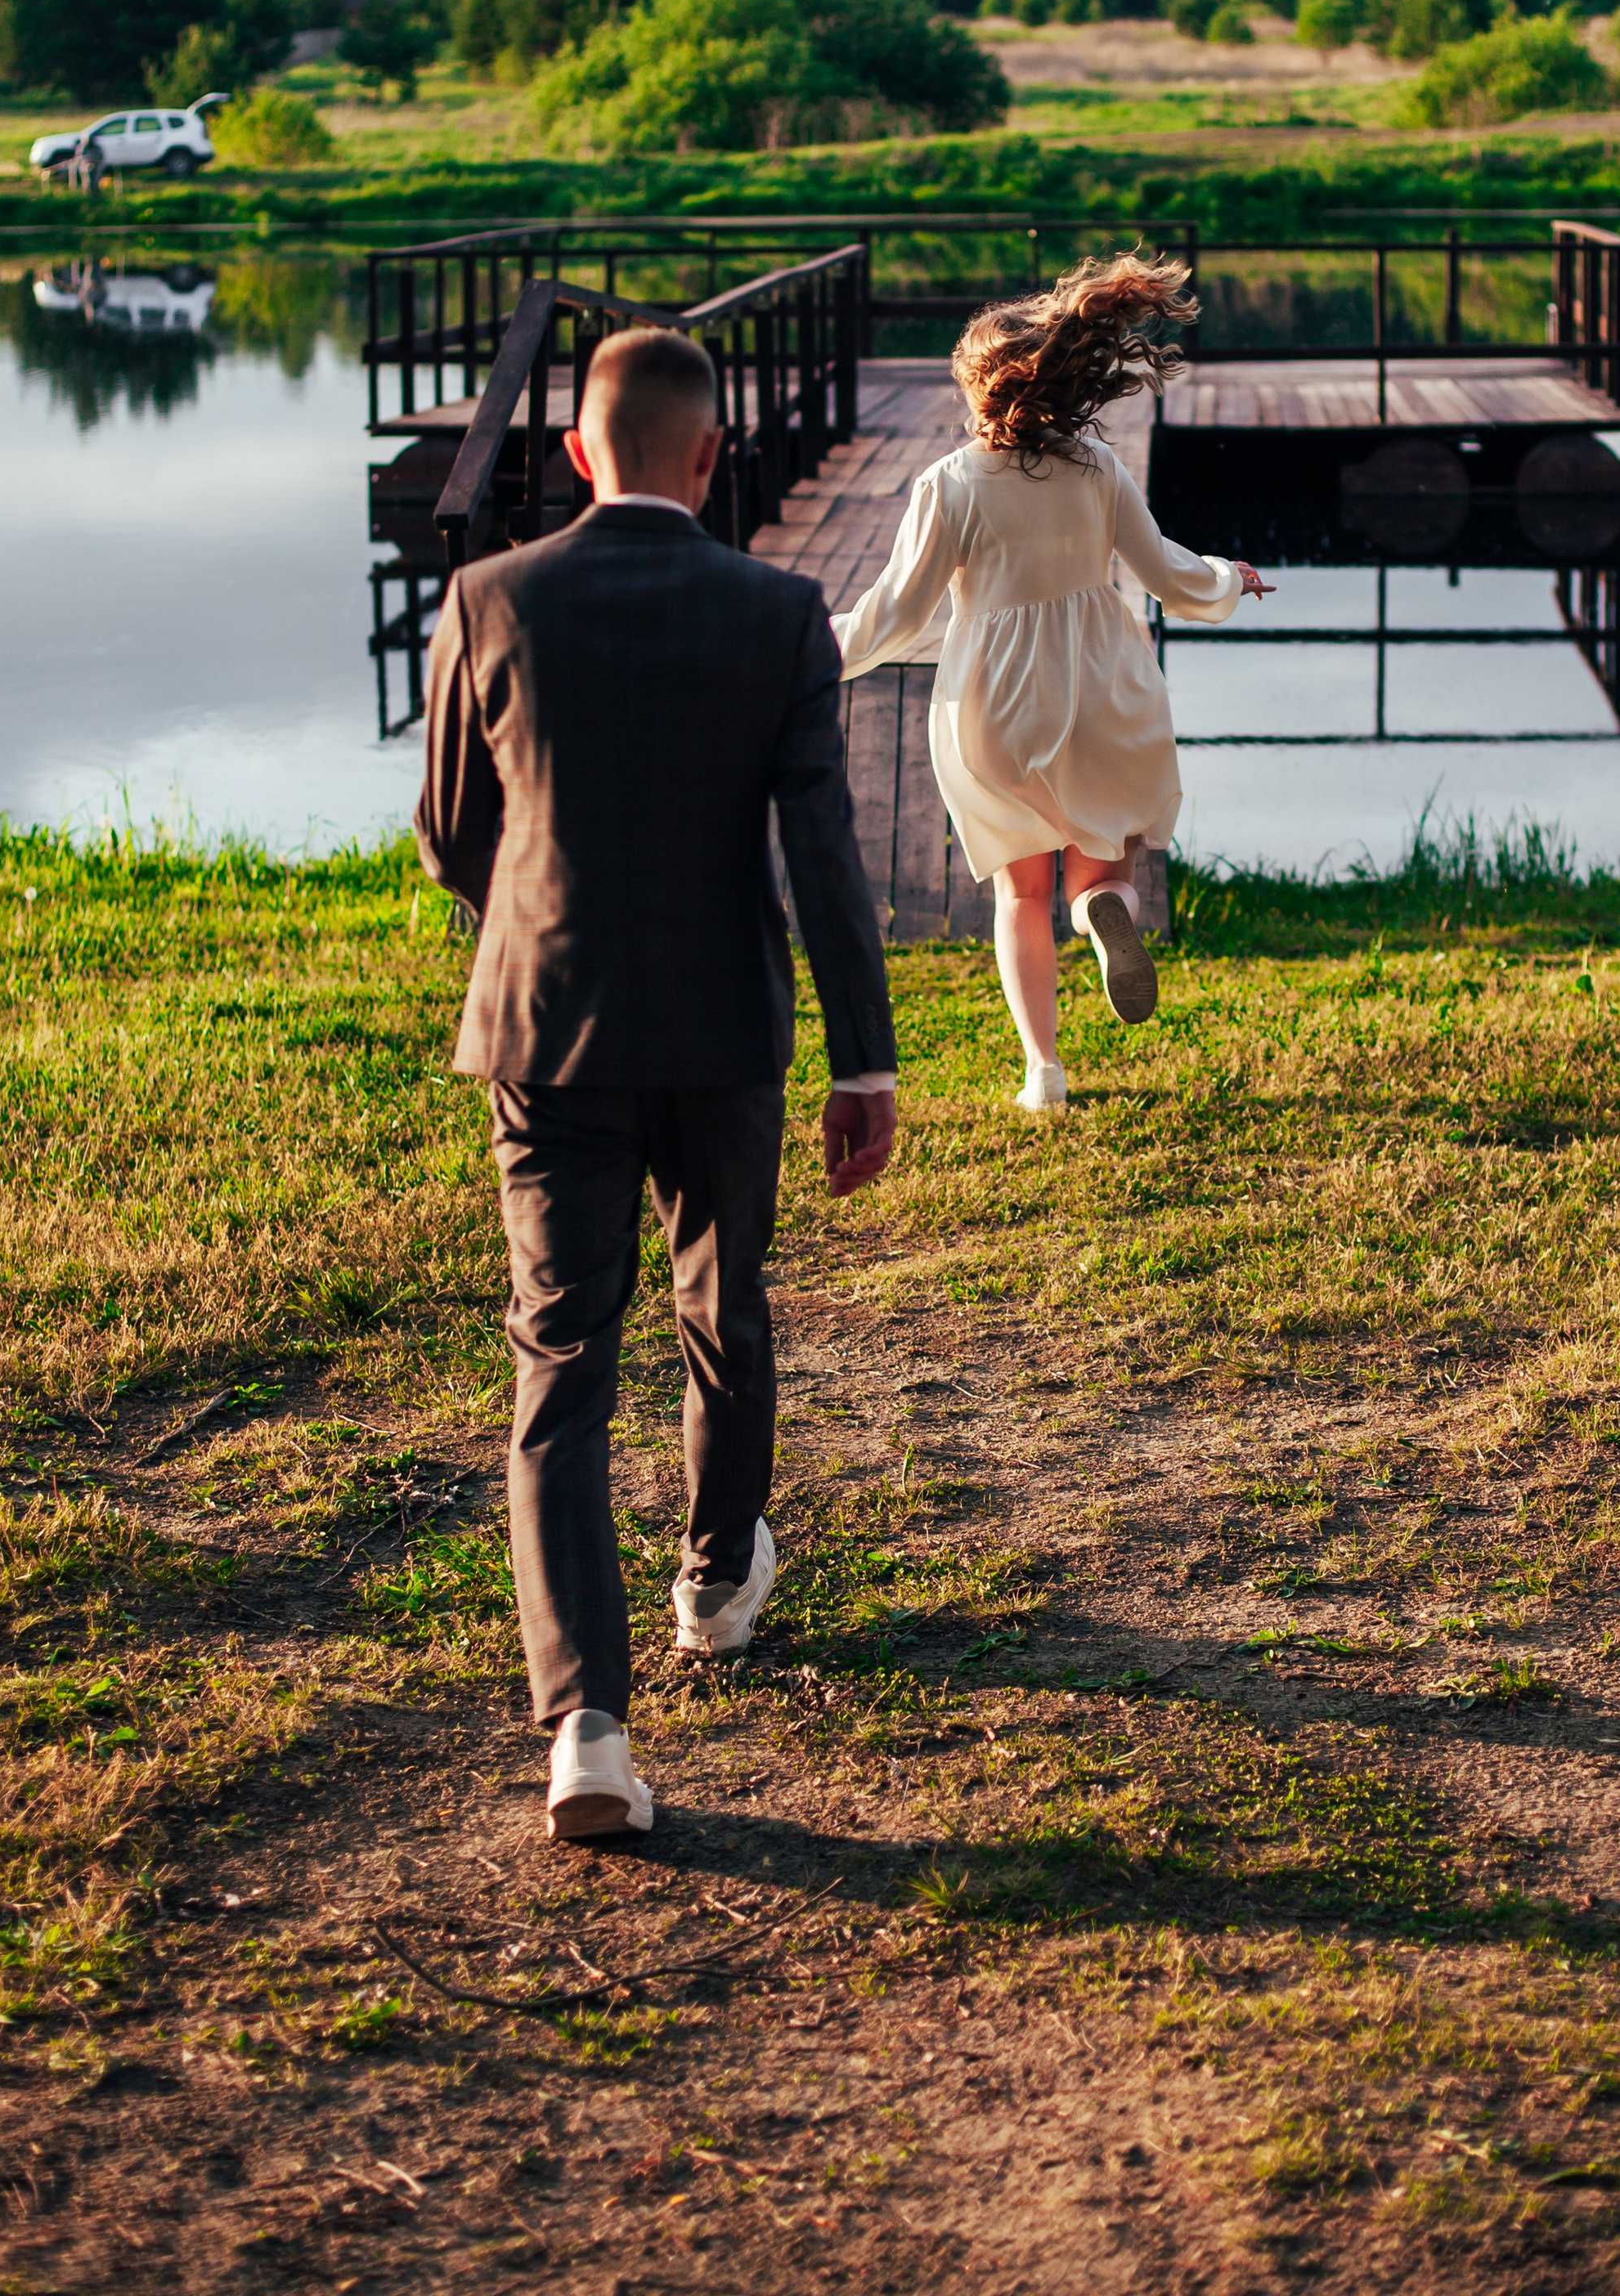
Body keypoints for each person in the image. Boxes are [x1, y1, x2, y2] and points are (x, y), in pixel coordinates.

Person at [415, 326, 898, 1843]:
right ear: (709, 455)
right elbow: (824, 851)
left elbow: (450, 833)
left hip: (545, 1025)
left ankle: (587, 1732)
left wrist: (540, 923)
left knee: (561, 1358)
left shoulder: (490, 598)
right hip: (725, 1025)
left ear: (577, 451)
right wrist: (864, 1056)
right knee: (722, 1303)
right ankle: (713, 1578)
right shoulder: (778, 612)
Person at [833, 250, 1268, 1110]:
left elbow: (898, 613)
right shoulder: (1097, 470)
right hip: (1100, 687)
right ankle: (1106, 911)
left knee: (1019, 893)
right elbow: (1165, 572)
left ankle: (1044, 1072)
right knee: (1101, 866)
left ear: (978, 393)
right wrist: (1228, 577)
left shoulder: (949, 484)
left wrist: (810, 648)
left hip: (995, 706)